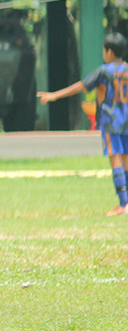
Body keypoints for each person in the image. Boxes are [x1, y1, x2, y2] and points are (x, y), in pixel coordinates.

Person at [38, 32, 128, 215]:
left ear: (109, 52)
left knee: (115, 159)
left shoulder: (104, 71)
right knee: (126, 160)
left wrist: (54, 95)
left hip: (111, 121)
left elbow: (81, 86)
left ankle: (123, 204)